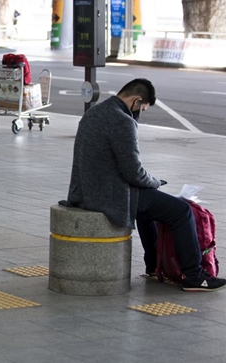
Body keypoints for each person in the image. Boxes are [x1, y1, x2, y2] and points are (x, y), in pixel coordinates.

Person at [64, 78, 226, 292]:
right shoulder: (122, 120)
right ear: (136, 100)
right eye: (142, 108)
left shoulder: (94, 113)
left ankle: (153, 266)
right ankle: (195, 277)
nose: (139, 113)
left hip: (86, 190)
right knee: (181, 211)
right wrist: (155, 182)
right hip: (111, 194)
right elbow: (133, 173)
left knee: (149, 208)